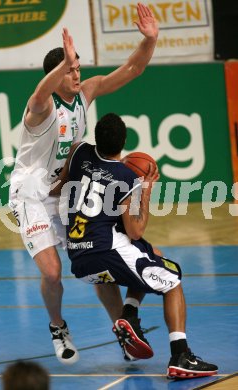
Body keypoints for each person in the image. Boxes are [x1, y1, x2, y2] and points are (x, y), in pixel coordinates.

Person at [9, 3, 159, 364]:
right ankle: (58, 325)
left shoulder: (84, 95)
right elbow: (38, 94)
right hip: (31, 194)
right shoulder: (41, 108)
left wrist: (150, 41)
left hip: (65, 191)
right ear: (56, 73)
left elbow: (132, 69)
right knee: (52, 271)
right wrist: (62, 64)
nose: (77, 74)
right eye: (70, 69)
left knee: (97, 258)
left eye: (77, 68)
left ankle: (122, 329)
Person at [63, 113, 218, 379]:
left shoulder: (79, 152)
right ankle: (180, 355)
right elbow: (136, 229)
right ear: (124, 143)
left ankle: (129, 316)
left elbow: (67, 181)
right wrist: (144, 188)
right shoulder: (126, 176)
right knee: (173, 279)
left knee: (151, 253)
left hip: (78, 259)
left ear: (97, 138)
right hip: (106, 252)